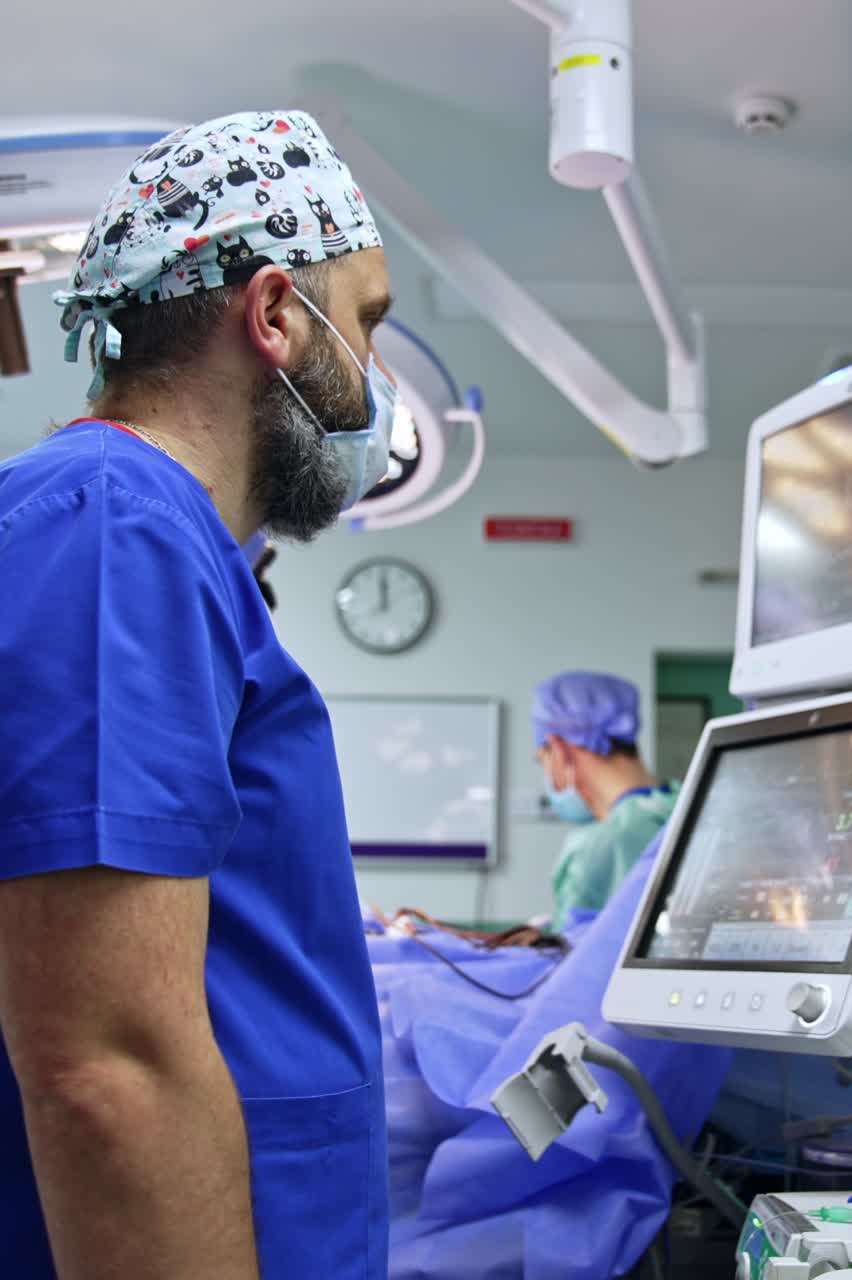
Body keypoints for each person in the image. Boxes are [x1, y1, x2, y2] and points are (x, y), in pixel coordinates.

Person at [0, 110, 394, 1279]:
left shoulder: (149, 537)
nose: (370, 381)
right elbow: (104, 1064)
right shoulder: (113, 523)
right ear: (275, 313)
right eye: (364, 323)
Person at [532, 671, 680, 930]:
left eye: (541, 760)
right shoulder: (686, 802)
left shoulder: (600, 848)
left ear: (559, 749)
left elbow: (578, 964)